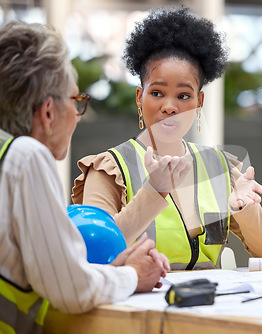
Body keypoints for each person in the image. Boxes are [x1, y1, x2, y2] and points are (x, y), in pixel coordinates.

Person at [72, 7, 262, 270]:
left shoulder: (219, 166)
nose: (170, 106)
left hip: (210, 304)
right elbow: (94, 252)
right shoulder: (110, 168)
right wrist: (153, 191)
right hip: (139, 304)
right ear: (139, 97)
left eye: (184, 96)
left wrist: (246, 209)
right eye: (157, 93)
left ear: (200, 101)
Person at [0, 21, 170, 332]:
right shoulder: (25, 157)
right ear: (48, 113)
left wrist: (110, 272)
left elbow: (45, 273)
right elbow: (70, 290)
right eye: (77, 102)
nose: (79, 116)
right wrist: (133, 274)